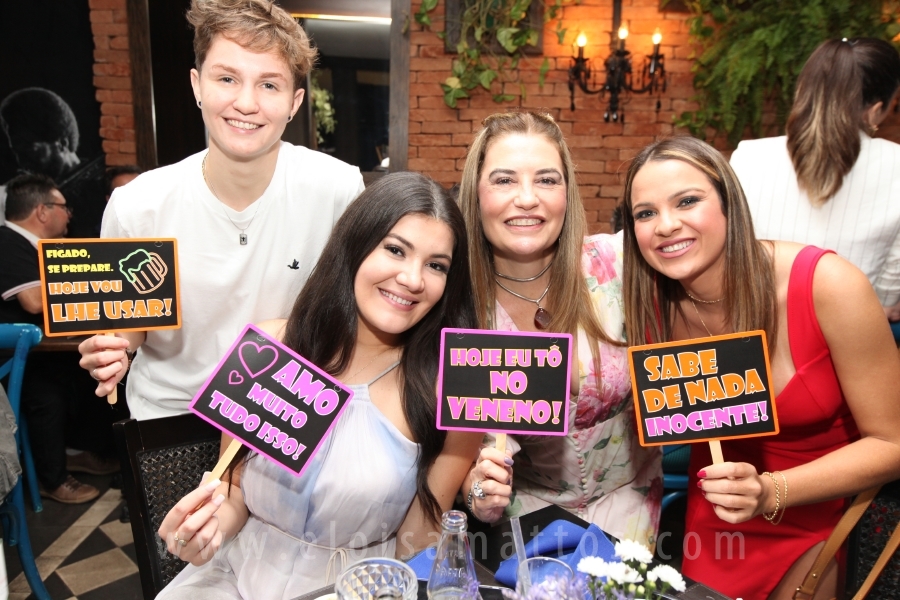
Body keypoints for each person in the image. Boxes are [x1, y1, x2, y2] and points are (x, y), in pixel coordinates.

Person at [155, 172, 482, 598]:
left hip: (357, 588)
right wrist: (206, 531)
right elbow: (233, 492)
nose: (413, 279)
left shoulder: (448, 391)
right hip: (234, 575)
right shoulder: (269, 348)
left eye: (436, 265)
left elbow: (418, 542)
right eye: (396, 250)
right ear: (355, 247)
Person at [621, 136, 900, 600]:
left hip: (817, 507)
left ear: (730, 203)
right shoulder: (651, 299)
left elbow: (893, 442)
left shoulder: (829, 285)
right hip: (717, 508)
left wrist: (772, 492)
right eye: (645, 213)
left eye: (687, 201)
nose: (666, 225)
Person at [77, 0, 365, 421]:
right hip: (172, 416)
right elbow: (128, 327)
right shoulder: (139, 204)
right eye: (227, 78)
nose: (246, 103)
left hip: (284, 416)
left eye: (269, 85)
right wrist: (111, 349)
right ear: (197, 85)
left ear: (295, 101)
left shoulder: (337, 189)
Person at [454, 111, 661, 548]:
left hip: (633, 517)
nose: (527, 198)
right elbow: (446, 447)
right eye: (504, 180)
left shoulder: (620, 265)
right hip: (525, 530)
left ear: (568, 193)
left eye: (547, 180)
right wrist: (475, 488)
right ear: (475, 193)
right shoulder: (453, 303)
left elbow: (716, 256)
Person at [730, 38, 900, 344]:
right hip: (848, 342)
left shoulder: (748, 155)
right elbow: (891, 280)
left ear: (802, 92)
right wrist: (885, 301)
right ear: (876, 110)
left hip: (756, 334)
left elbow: (730, 248)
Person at [0, 174, 117, 503]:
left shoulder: (38, 247)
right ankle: (50, 479)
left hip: (41, 352)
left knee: (89, 377)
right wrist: (92, 284)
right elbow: (34, 301)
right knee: (48, 394)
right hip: (11, 360)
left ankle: (77, 451)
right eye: (65, 207)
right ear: (42, 211)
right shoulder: (8, 242)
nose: (70, 215)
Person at [0, 87, 107, 237]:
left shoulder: (96, 186)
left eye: (29, 148)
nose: (21, 159)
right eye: (17, 150)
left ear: (62, 142)